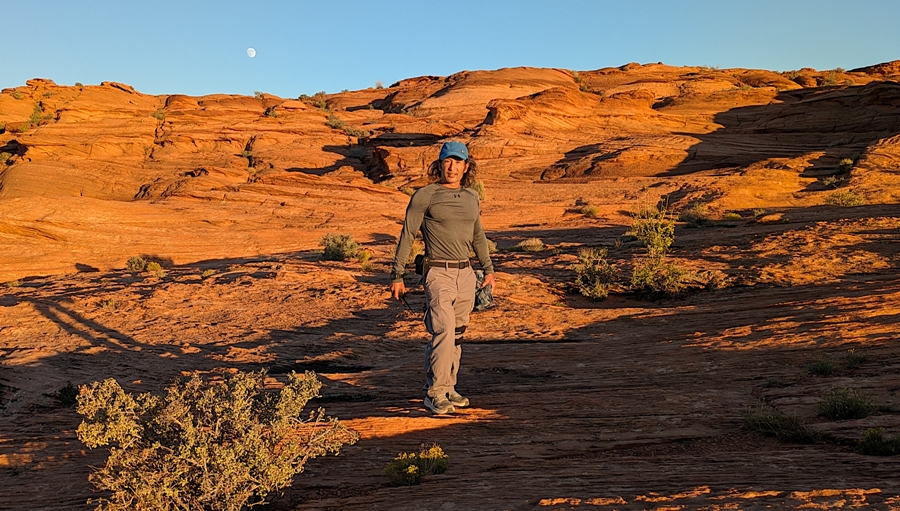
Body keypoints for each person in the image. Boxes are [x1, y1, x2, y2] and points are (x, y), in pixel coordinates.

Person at [390, 141, 496, 415]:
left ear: (466, 167)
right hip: (437, 272)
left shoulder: (471, 197)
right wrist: (397, 275)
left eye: (458, 162)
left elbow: (478, 237)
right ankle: (434, 393)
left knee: (457, 334)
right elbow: (407, 235)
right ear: (439, 164)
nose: (452, 167)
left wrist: (488, 269)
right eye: (447, 161)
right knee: (443, 330)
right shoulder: (425, 195)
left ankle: (448, 386)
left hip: (466, 273)